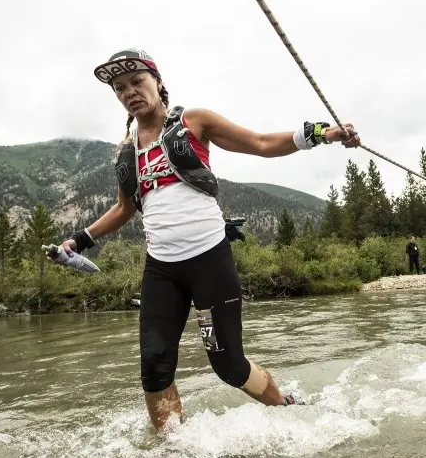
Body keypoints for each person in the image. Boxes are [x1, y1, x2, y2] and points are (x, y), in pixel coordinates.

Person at [48, 49, 362, 430]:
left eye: (137, 82)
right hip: (161, 269)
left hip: (209, 262)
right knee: (154, 364)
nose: (129, 92)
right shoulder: (126, 152)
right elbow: (124, 208)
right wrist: (78, 240)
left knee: (228, 365)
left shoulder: (193, 122)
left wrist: (321, 134)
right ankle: (171, 450)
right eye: (120, 88)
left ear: (157, 82)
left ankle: (285, 405)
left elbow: (261, 142)